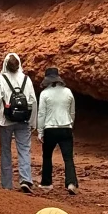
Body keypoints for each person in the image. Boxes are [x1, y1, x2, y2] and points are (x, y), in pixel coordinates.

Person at [0, 51, 36, 194]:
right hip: (23, 120)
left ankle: (7, 184)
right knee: (24, 150)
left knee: (5, 151)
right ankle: (25, 179)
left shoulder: (1, 78)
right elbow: (32, 100)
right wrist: (33, 122)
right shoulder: (26, 79)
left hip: (6, 120)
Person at [37, 65, 78, 195]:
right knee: (68, 158)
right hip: (66, 128)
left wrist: (40, 131)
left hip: (50, 129)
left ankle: (47, 183)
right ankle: (71, 183)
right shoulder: (68, 92)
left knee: (47, 156)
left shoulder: (44, 94)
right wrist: (70, 123)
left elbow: (41, 114)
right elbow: (72, 112)